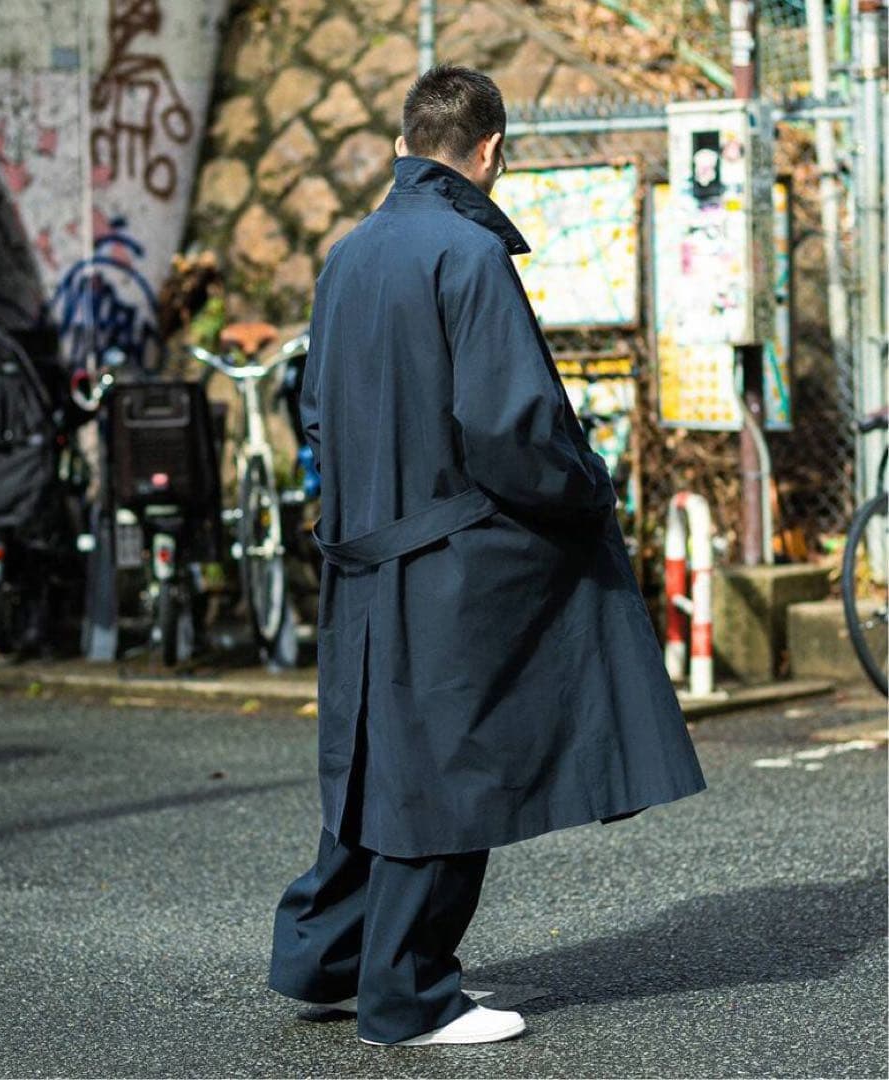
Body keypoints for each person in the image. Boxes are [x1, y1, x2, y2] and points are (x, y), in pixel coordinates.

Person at [268, 64, 707, 1048]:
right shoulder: (467, 252)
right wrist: (590, 490)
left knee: (376, 763)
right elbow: (514, 432)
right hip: (450, 556)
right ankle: (409, 997)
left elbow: (317, 413)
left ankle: (326, 960)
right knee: (446, 773)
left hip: (363, 552)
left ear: (404, 142)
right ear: (492, 150)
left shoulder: (349, 254)